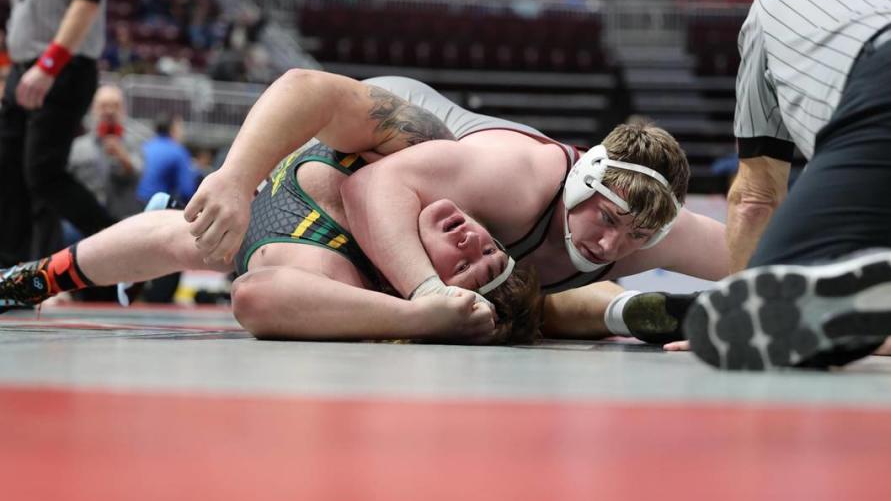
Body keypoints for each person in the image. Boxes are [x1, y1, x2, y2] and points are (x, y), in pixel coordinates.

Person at [182, 70, 729, 344]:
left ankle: (622, 310)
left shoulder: (651, 228)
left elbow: (773, 255)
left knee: (526, 307)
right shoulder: (510, 178)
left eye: (636, 238)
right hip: (380, 161)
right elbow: (367, 184)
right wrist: (423, 302)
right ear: (582, 185)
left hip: (410, 225)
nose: (610, 245)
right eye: (607, 218)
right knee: (214, 238)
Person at [0, 94, 540, 344]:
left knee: (194, 240)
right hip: (290, 146)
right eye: (491, 244)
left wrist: (424, 317)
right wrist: (237, 176)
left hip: (281, 226)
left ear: (448, 291)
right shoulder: (442, 157)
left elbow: (253, 298)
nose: (473, 239)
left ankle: (33, 280)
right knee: (202, 231)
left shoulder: (336, 274)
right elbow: (306, 87)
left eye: (468, 266)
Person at [682, 0, 891, 370]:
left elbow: (756, 196)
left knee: (781, 304)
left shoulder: (779, 0)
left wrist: (741, 316)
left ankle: (836, 295)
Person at [0, 0, 115, 265]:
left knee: (43, 173)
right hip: (22, 69)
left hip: (61, 67)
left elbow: (85, 4)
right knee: (9, 171)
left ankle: (125, 253)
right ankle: (13, 272)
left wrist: (48, 65)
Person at [68, 84, 143, 221]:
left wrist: (123, 157)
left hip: (122, 221)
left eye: (115, 105)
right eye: (103, 105)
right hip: (84, 221)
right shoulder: (77, 147)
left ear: (123, 110)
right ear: (93, 109)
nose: (109, 111)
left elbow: (139, 173)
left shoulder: (135, 143)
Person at [137, 114, 199, 206]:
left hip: (138, 203)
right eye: (180, 128)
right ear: (172, 130)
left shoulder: (146, 146)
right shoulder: (178, 151)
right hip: (158, 206)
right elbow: (186, 190)